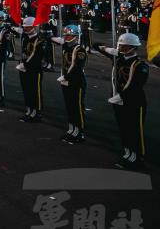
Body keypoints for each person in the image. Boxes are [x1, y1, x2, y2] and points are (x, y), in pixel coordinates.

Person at [94, 34, 149, 170]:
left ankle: (137, 157)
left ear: (132, 47)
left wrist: (121, 96)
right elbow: (98, 47)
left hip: (134, 102)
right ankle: (128, 152)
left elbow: (136, 85)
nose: (120, 47)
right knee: (124, 129)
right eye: (120, 45)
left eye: (124, 46)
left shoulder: (140, 65)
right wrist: (102, 47)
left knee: (135, 130)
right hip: (118, 100)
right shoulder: (119, 58)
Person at [53, 25, 87, 143]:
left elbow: (77, 67)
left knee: (77, 107)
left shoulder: (79, 50)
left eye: (69, 35)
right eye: (65, 35)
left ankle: (80, 132)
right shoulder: (66, 47)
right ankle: (72, 129)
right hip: (66, 80)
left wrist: (66, 77)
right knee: (69, 107)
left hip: (76, 82)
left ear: (76, 36)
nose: (66, 37)